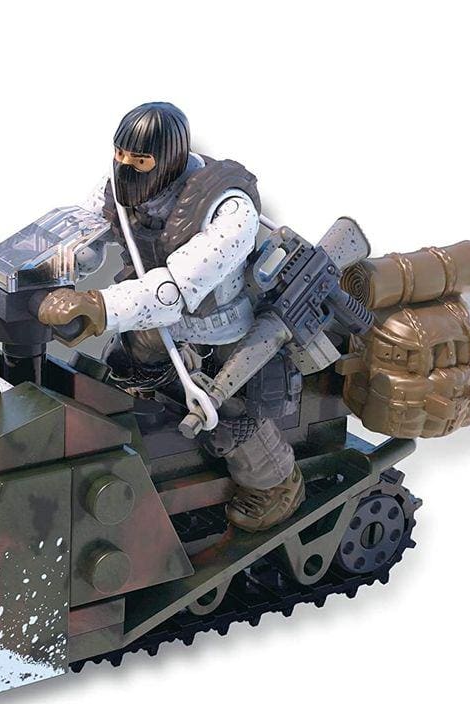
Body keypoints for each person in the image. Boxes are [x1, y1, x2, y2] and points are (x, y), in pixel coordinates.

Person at [37, 102, 304, 533]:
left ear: (170, 158)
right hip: (149, 323)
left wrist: (99, 306)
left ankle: (277, 485)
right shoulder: (117, 188)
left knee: (230, 415)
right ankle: (146, 439)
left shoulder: (228, 209)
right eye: (120, 155)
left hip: (218, 327)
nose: (126, 167)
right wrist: (54, 266)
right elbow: (86, 233)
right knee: (125, 372)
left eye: (140, 160)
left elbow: (176, 288)